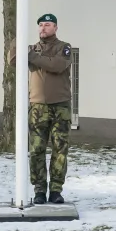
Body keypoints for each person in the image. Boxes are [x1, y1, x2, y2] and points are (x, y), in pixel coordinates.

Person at [28, 13, 73, 205]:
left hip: (60, 106)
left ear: (55, 28)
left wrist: (32, 57)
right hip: (38, 106)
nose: (43, 28)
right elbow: (13, 61)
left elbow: (56, 65)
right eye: (40, 25)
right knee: (37, 149)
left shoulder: (64, 48)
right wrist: (16, 40)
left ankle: (55, 190)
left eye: (47, 25)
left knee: (59, 149)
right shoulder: (31, 48)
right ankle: (39, 189)